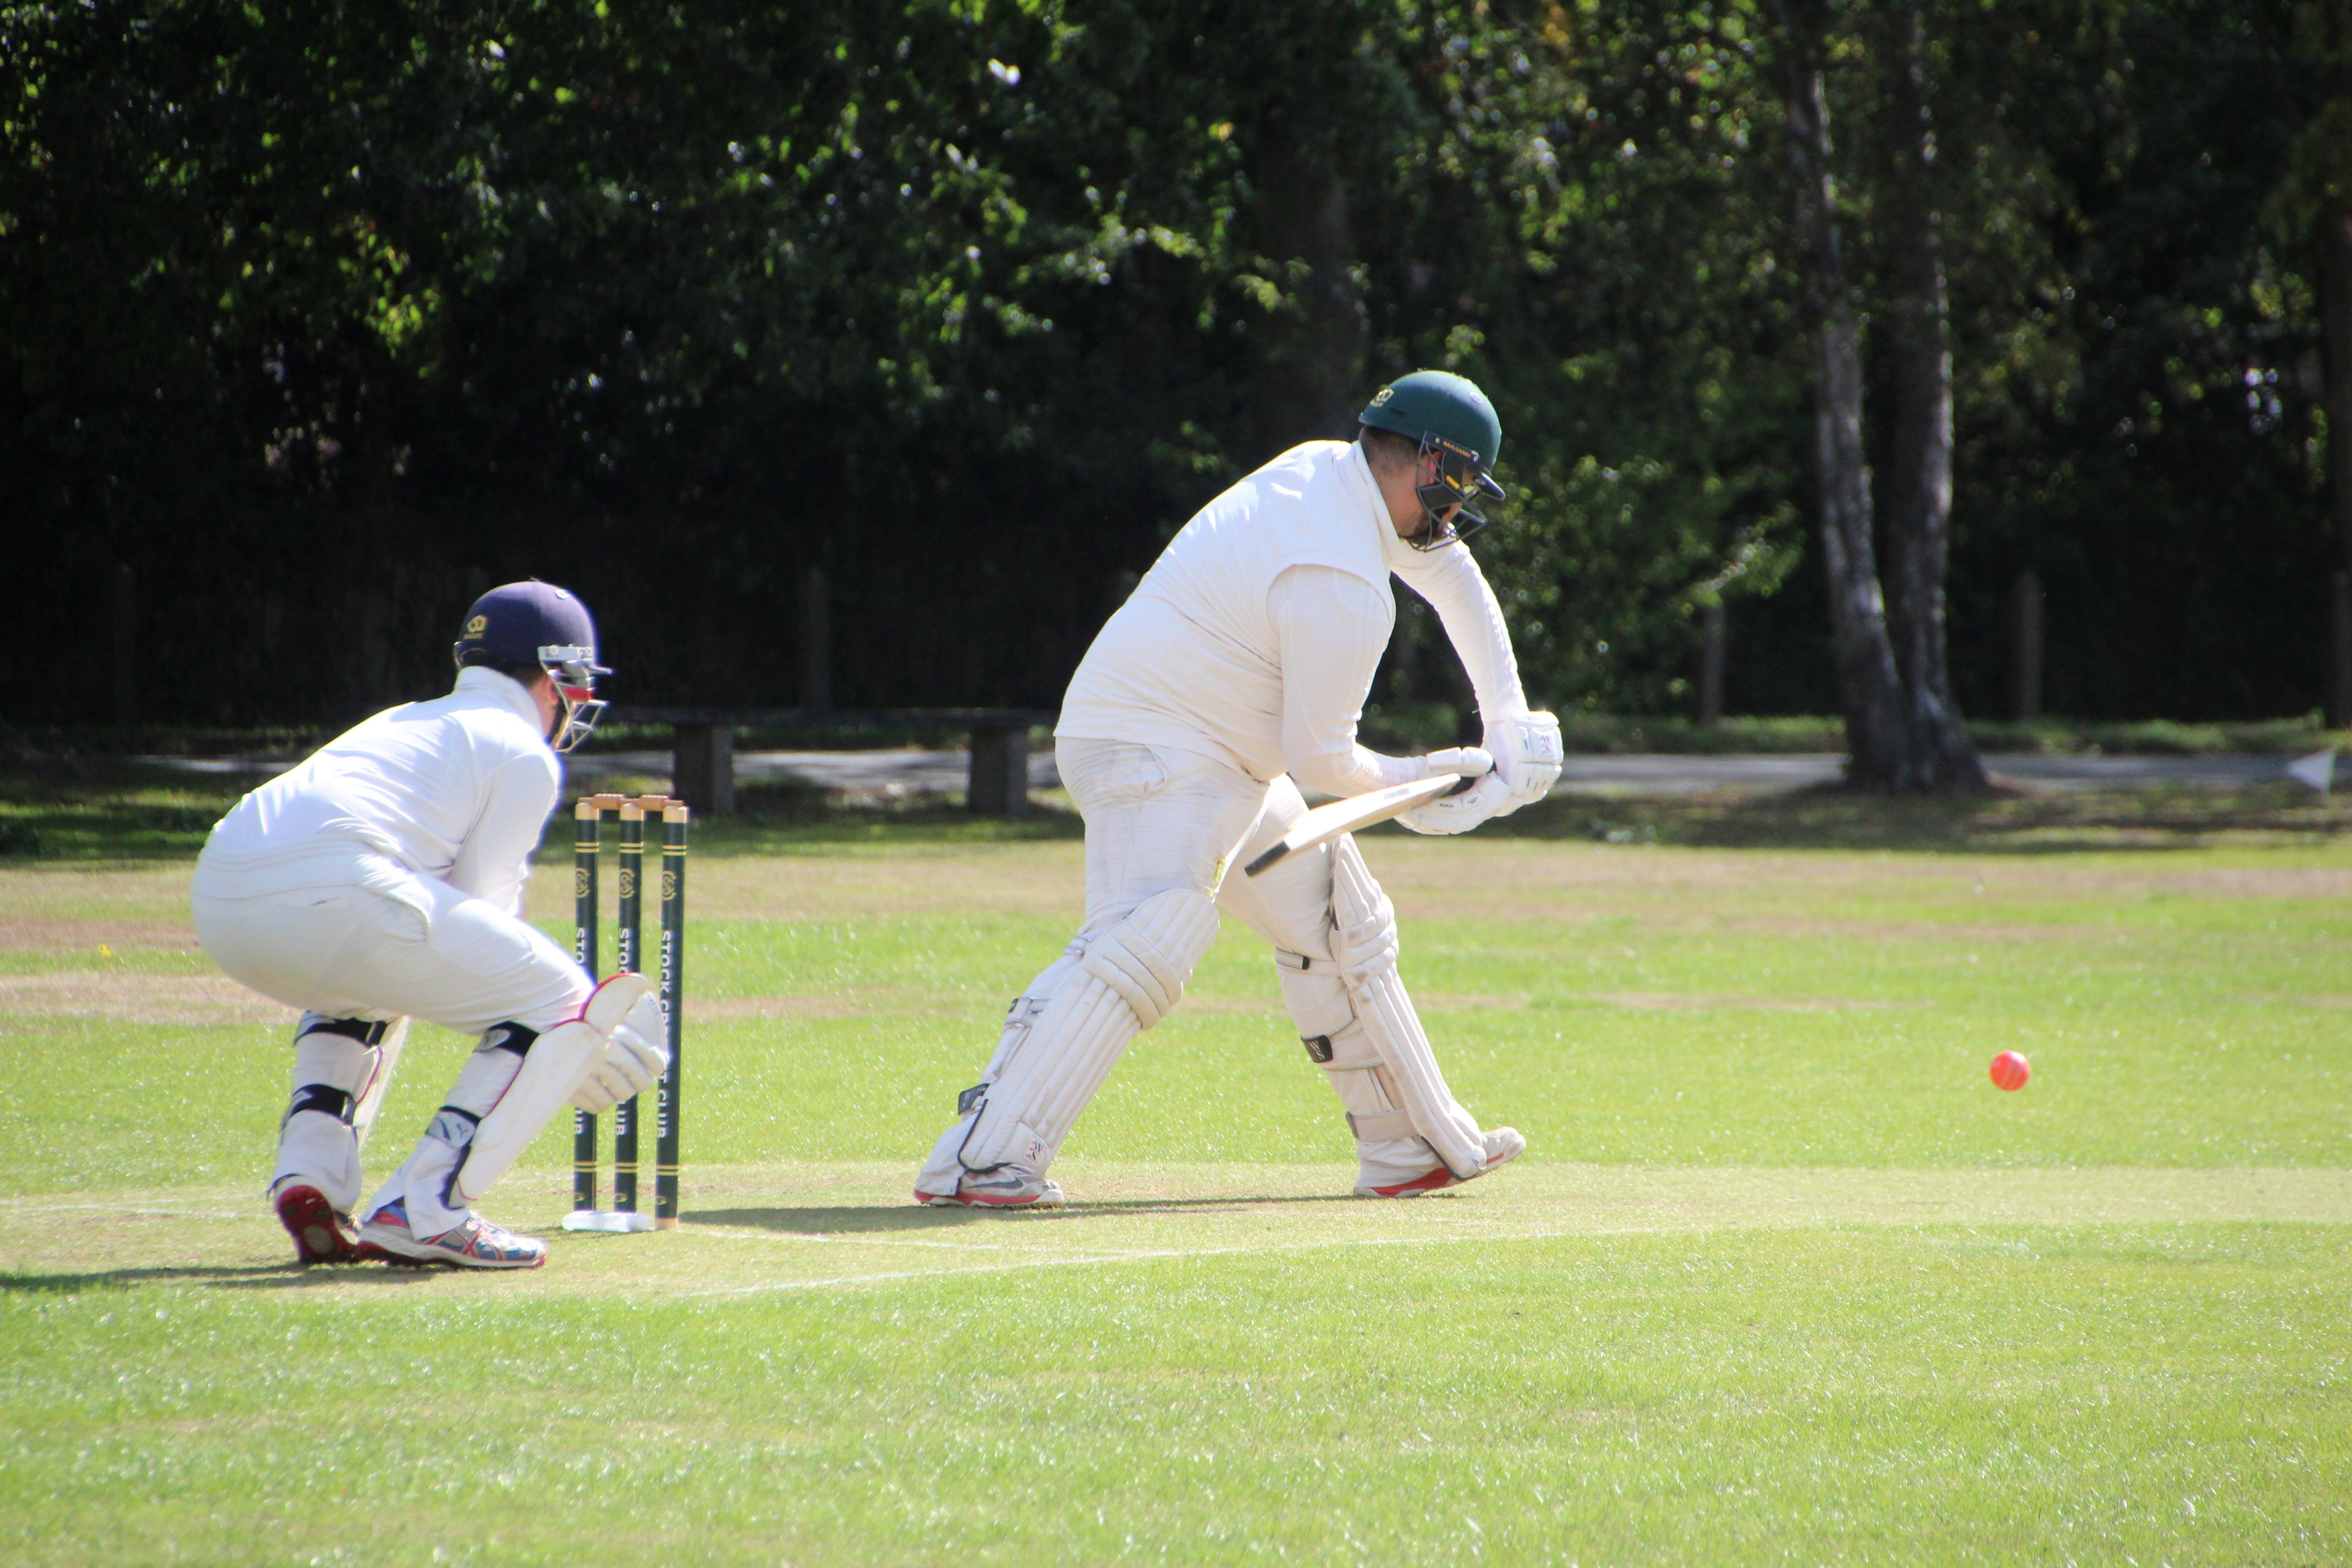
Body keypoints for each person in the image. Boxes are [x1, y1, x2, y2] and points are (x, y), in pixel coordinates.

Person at [915, 371, 1564, 1208]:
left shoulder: (1332, 473)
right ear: (1430, 462)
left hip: (1213, 749)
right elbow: (1325, 761)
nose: (1455, 510)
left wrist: (1506, 722)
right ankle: (980, 1157)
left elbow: (1450, 574)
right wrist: (1433, 781)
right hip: (1153, 739)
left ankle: (1407, 1144)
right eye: (1462, 484)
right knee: (1153, 927)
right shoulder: (1343, 580)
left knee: (1336, 912)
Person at [191, 581, 669, 1269]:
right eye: (579, 684)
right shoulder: (521, 747)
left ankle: (311, 1175)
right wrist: (573, 1046)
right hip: (338, 889)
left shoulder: (409, 718)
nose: (583, 701)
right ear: (556, 677)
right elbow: (484, 909)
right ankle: (427, 1206)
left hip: (223, 891)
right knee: (563, 1001)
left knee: (366, 989)